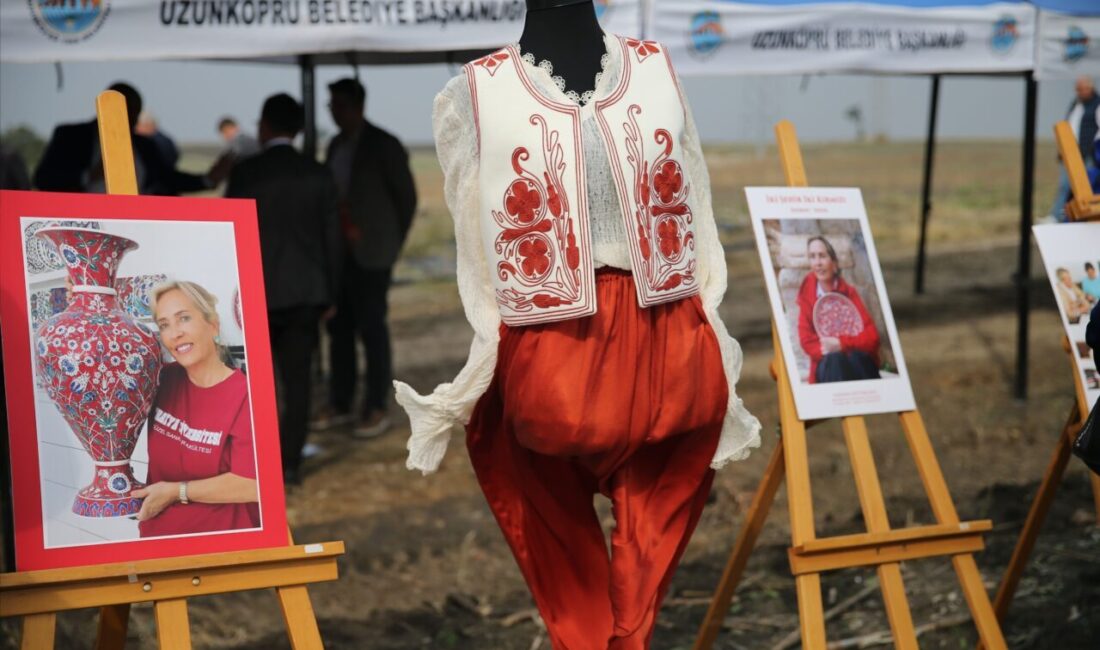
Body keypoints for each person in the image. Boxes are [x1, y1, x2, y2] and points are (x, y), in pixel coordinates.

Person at [393, 3, 761, 647]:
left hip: (668, 333)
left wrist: (710, 318)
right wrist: (492, 348)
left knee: (656, 523)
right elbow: (474, 246)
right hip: (552, 337)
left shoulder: (654, 70)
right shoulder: (477, 90)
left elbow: (695, 201)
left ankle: (623, 637)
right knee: (555, 532)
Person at [225, 93, 341, 485]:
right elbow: (333, 239)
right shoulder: (318, 173)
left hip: (253, 292)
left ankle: (256, 463)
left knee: (254, 384)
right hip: (307, 293)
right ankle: (289, 464)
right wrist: (332, 293)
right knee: (298, 381)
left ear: (264, 126)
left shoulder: (245, 174)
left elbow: (229, 235)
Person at [315, 78, 417, 438]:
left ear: (357, 105)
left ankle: (375, 405)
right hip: (338, 255)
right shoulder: (336, 145)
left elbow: (406, 199)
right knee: (338, 328)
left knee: (372, 329)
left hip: (373, 255)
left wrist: (389, 243)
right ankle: (340, 400)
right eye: (331, 107)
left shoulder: (384, 145)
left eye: (339, 106)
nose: (334, 112)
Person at [133, 281, 258, 537]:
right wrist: (86, 291)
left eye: (184, 318)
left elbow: (254, 485)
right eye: (164, 325)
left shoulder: (246, 395)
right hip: (158, 540)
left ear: (213, 324)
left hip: (223, 545)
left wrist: (175, 492)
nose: (174, 333)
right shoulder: (161, 379)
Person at [33, 82, 230, 195]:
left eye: (135, 114)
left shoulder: (145, 146)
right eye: (127, 112)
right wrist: (89, 176)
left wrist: (207, 179)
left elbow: (168, 179)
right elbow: (44, 179)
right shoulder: (71, 137)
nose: (132, 120)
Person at [797, 236, 882, 384]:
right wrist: (829, 349)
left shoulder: (849, 293)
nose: (817, 263)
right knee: (835, 359)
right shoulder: (807, 295)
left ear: (834, 263)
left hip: (855, 362)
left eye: (822, 256)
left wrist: (841, 344)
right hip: (827, 365)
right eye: (812, 257)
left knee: (857, 357)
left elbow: (872, 337)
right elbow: (807, 341)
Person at [1050, 76, 1100, 222]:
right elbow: (1069, 125)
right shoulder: (1075, 104)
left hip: (1087, 154)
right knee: (1065, 187)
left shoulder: (1096, 105)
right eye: (1077, 89)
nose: (1079, 92)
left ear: (1090, 88)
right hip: (1071, 153)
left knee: (1086, 190)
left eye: (1082, 88)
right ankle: (1059, 216)